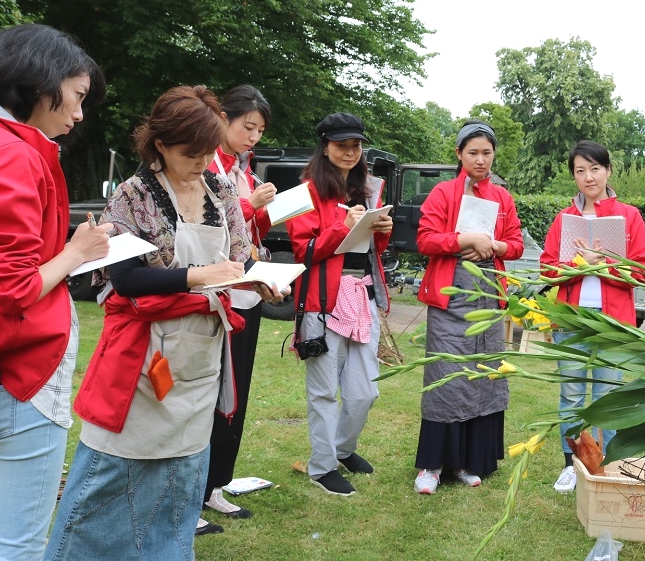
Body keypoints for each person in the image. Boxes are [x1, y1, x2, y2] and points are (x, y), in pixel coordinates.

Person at [44, 86, 284, 559]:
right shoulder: (133, 197)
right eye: (189, 152)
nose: (201, 162)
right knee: (111, 476)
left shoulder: (219, 192)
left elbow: (238, 259)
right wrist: (198, 275)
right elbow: (126, 279)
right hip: (143, 354)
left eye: (206, 151)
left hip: (200, 355)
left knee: (180, 483)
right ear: (159, 145)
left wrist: (260, 281)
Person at [0, 24, 111, 561]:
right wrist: (77, 252)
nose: (80, 114)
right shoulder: (12, 154)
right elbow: (15, 288)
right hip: (23, 370)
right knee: (18, 547)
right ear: (41, 83)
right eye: (77, 96)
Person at [413, 120, 523, 495]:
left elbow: (516, 244)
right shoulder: (443, 192)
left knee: (483, 376)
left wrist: (496, 246)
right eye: (472, 152)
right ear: (459, 154)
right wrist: (463, 239)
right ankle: (431, 465)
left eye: (487, 153)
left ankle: (468, 461)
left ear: (494, 156)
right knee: (447, 374)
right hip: (451, 292)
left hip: (488, 293)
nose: (480, 160)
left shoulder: (502, 197)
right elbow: (426, 239)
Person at [285, 111, 392, 497]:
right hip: (321, 302)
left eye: (356, 145)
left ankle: (343, 450)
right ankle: (322, 465)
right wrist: (341, 227)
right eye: (342, 145)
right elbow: (304, 251)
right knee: (324, 390)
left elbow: (368, 251)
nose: (350, 152)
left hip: (361, 295)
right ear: (325, 146)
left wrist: (381, 231)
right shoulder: (306, 191)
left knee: (365, 391)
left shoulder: (366, 189)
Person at [539, 140, 645, 494]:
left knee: (608, 395)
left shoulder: (629, 216)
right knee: (571, 395)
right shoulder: (565, 218)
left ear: (608, 170)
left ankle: (609, 465)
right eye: (580, 170)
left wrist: (604, 265)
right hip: (571, 319)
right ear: (573, 176)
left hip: (613, 321)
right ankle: (571, 465)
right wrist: (578, 264)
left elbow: (644, 269)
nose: (588, 177)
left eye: (595, 168)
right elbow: (546, 269)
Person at [200, 85, 277, 526]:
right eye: (247, 126)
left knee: (237, 392)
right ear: (222, 118)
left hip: (247, 291)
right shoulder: (204, 163)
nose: (253, 137)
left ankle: (216, 484)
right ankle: (195, 487)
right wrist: (250, 203)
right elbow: (210, 223)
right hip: (216, 294)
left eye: (260, 131)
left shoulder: (241, 169)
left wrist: (263, 209)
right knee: (210, 393)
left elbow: (245, 227)